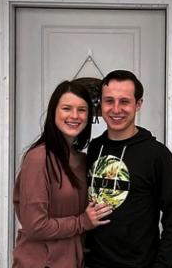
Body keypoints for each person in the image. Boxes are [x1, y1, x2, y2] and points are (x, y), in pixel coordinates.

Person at [86, 70, 172, 268]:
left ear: (138, 104)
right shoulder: (94, 148)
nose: (116, 109)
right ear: (101, 103)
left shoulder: (157, 155)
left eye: (124, 101)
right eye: (109, 101)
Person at [13, 80, 112, 268]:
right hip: (40, 262)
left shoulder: (82, 160)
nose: (74, 116)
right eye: (67, 108)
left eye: (82, 110)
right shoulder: (39, 158)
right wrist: (83, 222)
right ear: (54, 112)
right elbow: (35, 226)